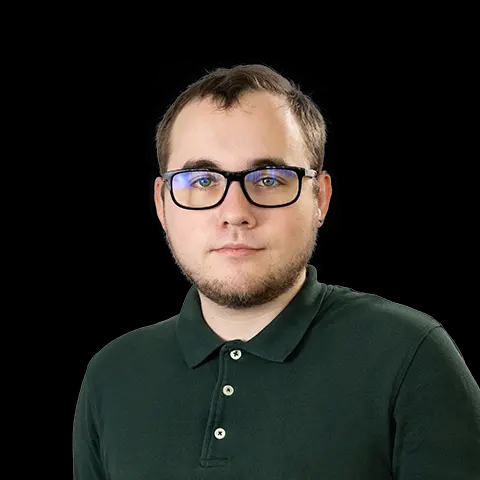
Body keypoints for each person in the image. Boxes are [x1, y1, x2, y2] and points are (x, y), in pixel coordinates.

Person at [73, 64, 480, 479]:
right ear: (162, 204)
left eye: (269, 179)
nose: (235, 212)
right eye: (201, 180)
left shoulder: (411, 357)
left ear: (320, 199)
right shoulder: (111, 375)